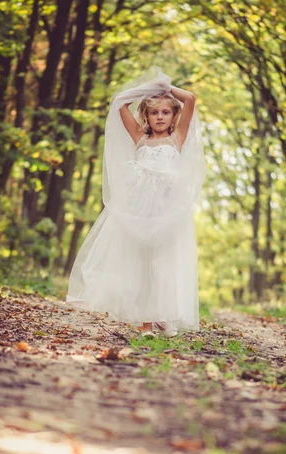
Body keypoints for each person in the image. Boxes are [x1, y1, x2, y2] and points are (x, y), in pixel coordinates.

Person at [66, 66, 206, 337]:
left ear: (174, 115)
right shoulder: (139, 138)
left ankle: (163, 315)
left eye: (166, 111)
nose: (160, 116)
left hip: (168, 214)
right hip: (140, 214)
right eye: (154, 112)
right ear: (146, 115)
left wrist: (166, 89)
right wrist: (150, 90)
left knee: (163, 265)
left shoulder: (178, 139)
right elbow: (120, 101)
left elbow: (189, 99)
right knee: (141, 265)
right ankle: (145, 324)